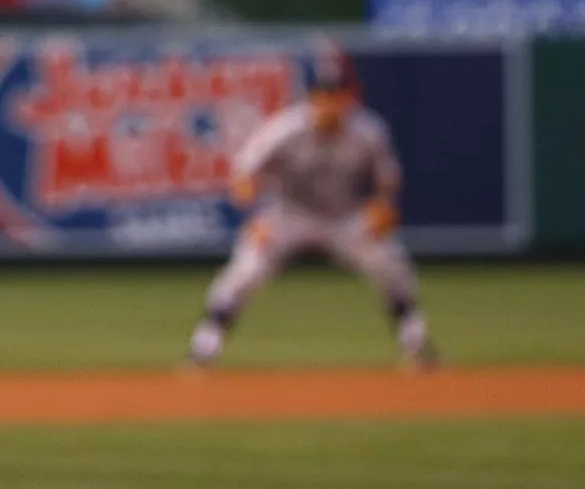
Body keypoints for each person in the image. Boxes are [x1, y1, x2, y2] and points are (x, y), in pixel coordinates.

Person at [187, 44, 439, 370]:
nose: (330, 103)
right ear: (311, 99)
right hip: (289, 213)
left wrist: (383, 206)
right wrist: (254, 218)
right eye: (323, 95)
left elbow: (388, 179)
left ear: (348, 98)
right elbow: (244, 175)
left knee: (390, 263)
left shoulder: (367, 131)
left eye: (337, 95)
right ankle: (204, 348)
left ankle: (416, 344)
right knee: (245, 271)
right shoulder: (284, 129)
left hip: (343, 215)